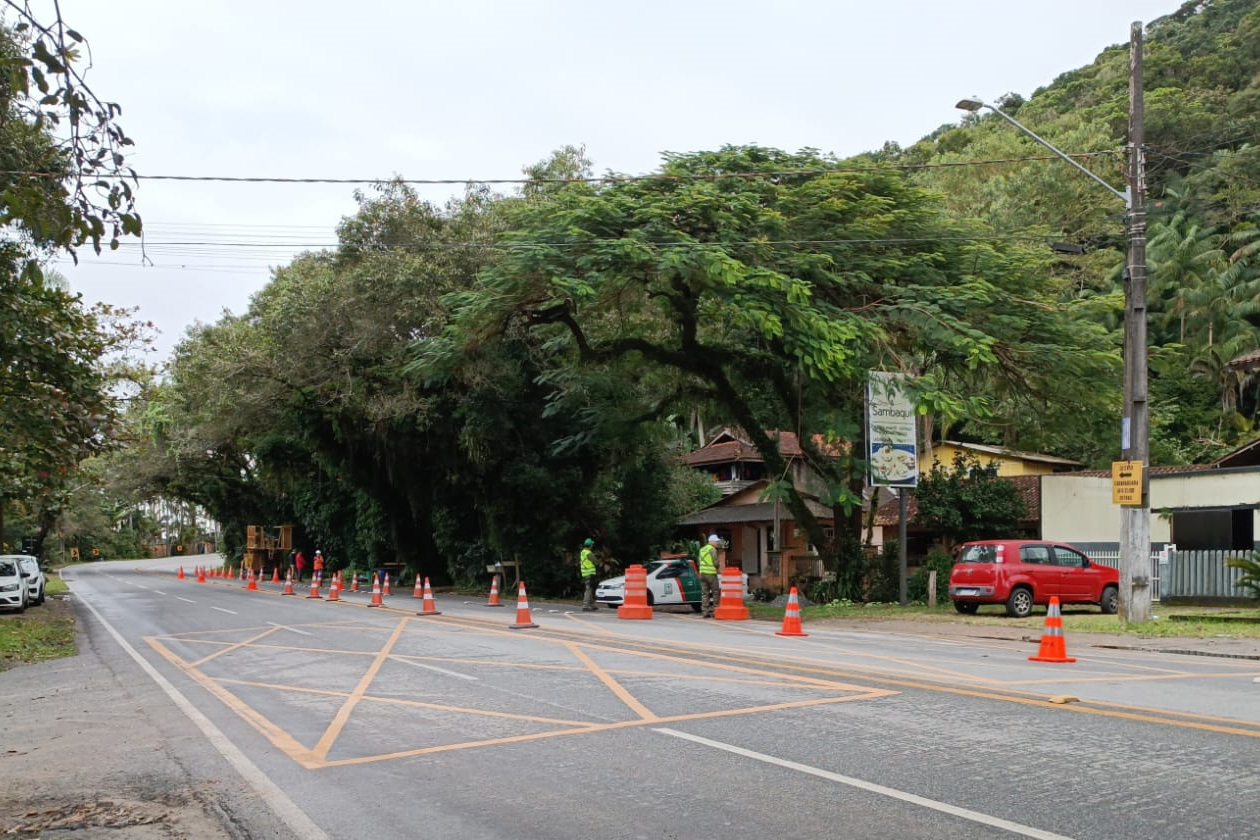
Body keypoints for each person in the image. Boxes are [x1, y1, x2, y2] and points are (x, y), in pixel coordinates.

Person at [698, 534, 722, 617]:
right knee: (715, 592)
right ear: (711, 541)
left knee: (705, 593)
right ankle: (716, 611)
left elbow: (699, 561)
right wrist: (718, 568)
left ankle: (705, 612)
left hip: (702, 574)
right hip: (710, 574)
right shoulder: (712, 549)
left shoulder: (702, 549)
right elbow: (715, 562)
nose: (717, 543)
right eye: (716, 541)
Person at [580, 538, 598, 611]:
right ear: (590, 545)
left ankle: (592, 605)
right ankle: (585, 606)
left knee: (590, 589)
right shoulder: (589, 553)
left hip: (585, 573)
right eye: (592, 544)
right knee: (588, 589)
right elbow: (596, 561)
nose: (592, 546)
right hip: (590, 573)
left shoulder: (583, 552)